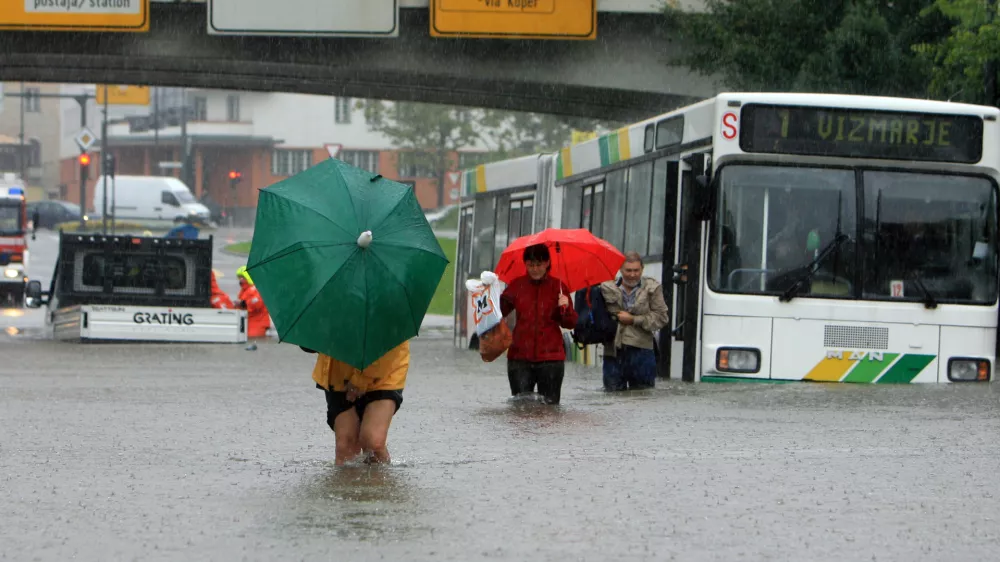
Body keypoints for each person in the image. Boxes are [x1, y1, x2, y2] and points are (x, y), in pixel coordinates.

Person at [304, 342, 409, 465]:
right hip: (339, 371)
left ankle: (380, 477)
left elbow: (381, 344)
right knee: (345, 447)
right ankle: (349, 478)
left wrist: (360, 380)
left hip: (386, 369)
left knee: (373, 442)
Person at [499, 243, 578, 405]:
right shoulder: (517, 285)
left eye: (539, 264)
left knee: (550, 409)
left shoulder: (559, 287)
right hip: (519, 358)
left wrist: (566, 308)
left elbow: (570, 323)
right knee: (521, 408)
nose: (534, 269)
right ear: (525, 264)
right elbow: (498, 312)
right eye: (530, 265)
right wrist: (488, 294)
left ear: (547, 263)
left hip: (551, 360)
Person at [599, 252, 669, 391]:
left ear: (642, 269)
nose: (632, 275)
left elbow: (662, 318)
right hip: (613, 351)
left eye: (636, 270)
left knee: (643, 396)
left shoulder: (652, 288)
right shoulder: (606, 288)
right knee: (612, 397)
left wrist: (633, 320)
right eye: (628, 270)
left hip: (642, 352)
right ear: (620, 270)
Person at [236, 265, 269, 338]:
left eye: (243, 277)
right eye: (239, 277)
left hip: (257, 323)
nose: (240, 280)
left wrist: (243, 304)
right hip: (249, 322)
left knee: (253, 340)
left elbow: (257, 303)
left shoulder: (256, 289)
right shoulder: (245, 290)